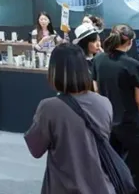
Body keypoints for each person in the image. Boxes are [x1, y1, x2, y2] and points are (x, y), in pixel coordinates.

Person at [24, 44, 114, 193]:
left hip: (63, 187)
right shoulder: (104, 103)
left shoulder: (49, 107)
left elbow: (36, 149)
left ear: (54, 72)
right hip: (101, 186)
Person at [92, 24, 139, 194]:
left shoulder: (98, 60)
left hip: (107, 122)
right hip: (130, 123)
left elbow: (96, 90)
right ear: (129, 42)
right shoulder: (132, 65)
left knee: (110, 169)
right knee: (135, 171)